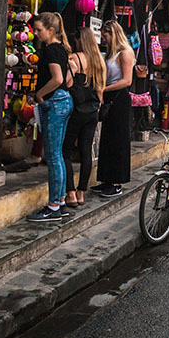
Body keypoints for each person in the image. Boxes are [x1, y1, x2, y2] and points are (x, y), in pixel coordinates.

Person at [27, 13, 75, 223]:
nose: (36, 33)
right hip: (63, 100)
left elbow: (58, 79)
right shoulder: (61, 49)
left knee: (54, 155)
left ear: (51, 30)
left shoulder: (52, 50)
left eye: (39, 30)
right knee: (58, 154)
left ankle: (54, 205)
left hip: (55, 101)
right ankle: (61, 202)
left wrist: (39, 94)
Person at [63, 27, 106, 207]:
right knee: (85, 151)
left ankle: (70, 193)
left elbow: (67, 83)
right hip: (92, 112)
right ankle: (81, 193)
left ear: (80, 40)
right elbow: (101, 92)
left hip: (77, 111)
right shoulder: (99, 61)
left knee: (64, 151)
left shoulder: (74, 59)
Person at [93, 21, 134, 198]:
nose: (104, 39)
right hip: (109, 95)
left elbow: (127, 80)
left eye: (106, 35)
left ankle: (117, 181)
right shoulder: (110, 52)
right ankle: (106, 179)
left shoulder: (124, 53)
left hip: (119, 97)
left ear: (114, 34)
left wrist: (104, 89)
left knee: (118, 139)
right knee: (107, 139)